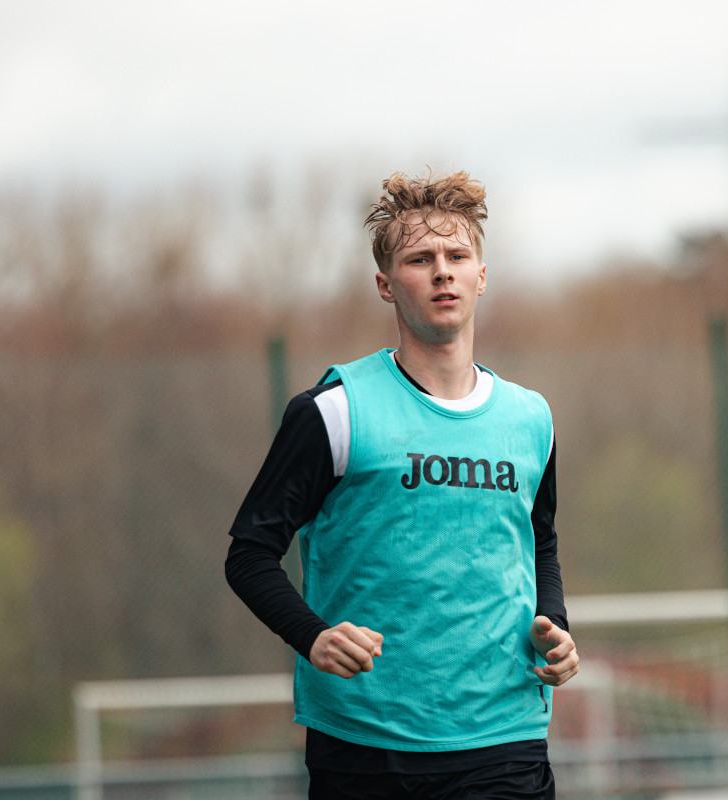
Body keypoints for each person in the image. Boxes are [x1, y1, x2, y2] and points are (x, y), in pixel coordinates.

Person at [225, 169, 578, 799]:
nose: (442, 272)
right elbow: (249, 555)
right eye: (420, 259)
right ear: (386, 284)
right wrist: (312, 635)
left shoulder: (532, 419)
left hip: (505, 739)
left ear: (481, 276)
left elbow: (538, 542)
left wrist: (553, 623)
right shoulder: (335, 412)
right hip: (367, 745)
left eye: (457, 256)